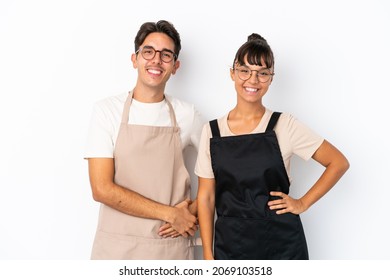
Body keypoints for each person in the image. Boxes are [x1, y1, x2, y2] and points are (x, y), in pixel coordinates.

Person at [195, 33, 350, 260]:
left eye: (263, 73)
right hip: (230, 246)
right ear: (233, 73)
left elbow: (338, 162)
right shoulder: (212, 131)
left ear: (271, 78)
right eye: (245, 70)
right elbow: (206, 197)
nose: (253, 80)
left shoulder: (284, 125)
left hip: (281, 245)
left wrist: (302, 203)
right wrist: (208, 255)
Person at [84, 20, 203, 260]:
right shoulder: (107, 111)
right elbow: (101, 188)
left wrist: (191, 211)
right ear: (134, 59)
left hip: (170, 248)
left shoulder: (187, 114)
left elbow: (224, 169)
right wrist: (170, 214)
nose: (156, 60)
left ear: (175, 65)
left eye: (166, 55)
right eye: (148, 51)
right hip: (116, 249)